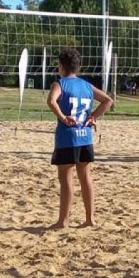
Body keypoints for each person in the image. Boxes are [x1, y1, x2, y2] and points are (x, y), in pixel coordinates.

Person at [46, 48, 113, 230]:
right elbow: (108, 101)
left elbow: (51, 101)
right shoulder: (86, 85)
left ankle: (63, 221)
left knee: (66, 180)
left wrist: (62, 117)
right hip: (85, 138)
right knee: (86, 178)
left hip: (67, 138)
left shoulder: (59, 84)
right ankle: (90, 219)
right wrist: (93, 117)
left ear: (61, 66)